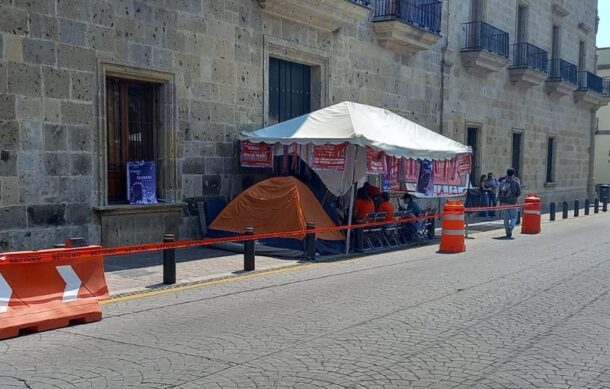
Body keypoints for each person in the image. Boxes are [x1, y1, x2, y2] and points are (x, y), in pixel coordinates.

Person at [498, 167, 522, 239]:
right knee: (514, 216)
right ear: (513, 173)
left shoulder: (503, 182)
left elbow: (499, 192)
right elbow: (519, 192)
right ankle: (510, 227)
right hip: (512, 202)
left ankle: (507, 232)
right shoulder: (516, 182)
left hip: (504, 202)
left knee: (506, 218)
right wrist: (514, 197)